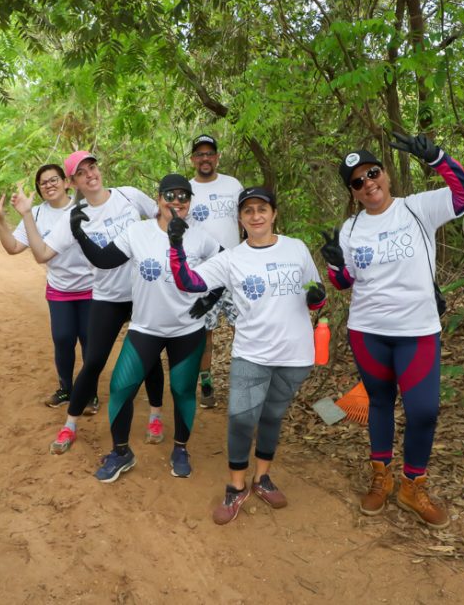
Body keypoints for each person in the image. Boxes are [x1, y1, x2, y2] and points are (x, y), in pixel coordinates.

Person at [320, 133, 464, 529]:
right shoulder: (350, 228)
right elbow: (345, 283)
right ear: (353, 192)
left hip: (417, 329)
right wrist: (336, 266)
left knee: (424, 410)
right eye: (357, 181)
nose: (368, 183)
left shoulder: (417, 208)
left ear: (386, 174)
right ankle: (381, 476)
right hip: (368, 330)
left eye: (372, 173)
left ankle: (413, 485)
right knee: (379, 404)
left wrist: (437, 157)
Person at [167, 186, 326, 524]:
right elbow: (189, 282)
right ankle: (236, 485)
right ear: (240, 219)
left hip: (295, 353)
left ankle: (262, 478)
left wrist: (319, 298)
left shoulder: (296, 248)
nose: (256, 216)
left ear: (274, 213)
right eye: (248, 210)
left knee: (272, 417)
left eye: (262, 209)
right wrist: (176, 247)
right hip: (251, 352)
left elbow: (314, 297)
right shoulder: (232, 258)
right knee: (241, 418)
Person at [70, 173, 222, 482]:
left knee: (182, 392)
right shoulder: (138, 232)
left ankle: (181, 448)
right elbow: (104, 260)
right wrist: (78, 233)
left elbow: (226, 264)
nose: (177, 201)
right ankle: (121, 452)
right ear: (158, 198)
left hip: (187, 330)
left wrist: (210, 300)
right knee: (120, 388)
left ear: (190, 203)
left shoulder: (200, 237)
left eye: (184, 196)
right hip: (145, 328)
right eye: (171, 194)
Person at [14, 151, 167, 454]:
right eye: (81, 173)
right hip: (107, 297)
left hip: (142, 293)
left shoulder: (128, 195)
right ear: (73, 182)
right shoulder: (75, 217)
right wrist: (26, 215)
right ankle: (70, 425)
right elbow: (42, 254)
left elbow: (162, 218)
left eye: (92, 167)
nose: (90, 175)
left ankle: (155, 416)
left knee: (148, 360)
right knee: (93, 361)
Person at [0, 164, 93, 408]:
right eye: (43, 183)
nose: (49, 185)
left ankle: (90, 392)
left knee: (89, 340)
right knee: (63, 338)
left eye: (54, 179)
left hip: (91, 287)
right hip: (59, 289)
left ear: (67, 182)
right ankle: (66, 389)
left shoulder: (84, 208)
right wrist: (1, 221)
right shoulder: (35, 214)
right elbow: (13, 247)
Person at [187, 134, 244, 408]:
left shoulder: (232, 185)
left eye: (210, 153)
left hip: (235, 270)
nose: (205, 158)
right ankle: (206, 383)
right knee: (204, 332)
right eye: (200, 154)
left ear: (217, 157)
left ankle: (244, 382)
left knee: (242, 327)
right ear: (193, 160)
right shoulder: (186, 190)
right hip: (204, 274)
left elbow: (246, 221)